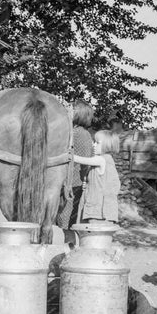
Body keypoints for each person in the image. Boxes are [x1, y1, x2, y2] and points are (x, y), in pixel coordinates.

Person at [56, 99, 94, 243]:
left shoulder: (80, 134)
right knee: (66, 226)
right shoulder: (75, 132)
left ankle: (71, 254)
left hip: (74, 185)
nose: (67, 112)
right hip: (69, 184)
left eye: (71, 110)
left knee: (69, 226)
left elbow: (85, 163)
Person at [74, 130, 121, 224]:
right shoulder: (105, 160)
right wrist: (88, 184)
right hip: (96, 209)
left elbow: (79, 159)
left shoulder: (102, 159)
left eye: (97, 143)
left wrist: (68, 155)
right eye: (93, 142)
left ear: (107, 145)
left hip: (98, 211)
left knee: (94, 235)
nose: (94, 145)